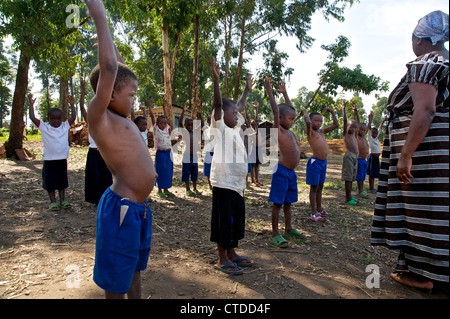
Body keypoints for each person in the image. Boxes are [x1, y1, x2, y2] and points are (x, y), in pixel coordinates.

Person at [371, 10, 449, 290]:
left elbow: (425, 110)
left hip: (427, 158)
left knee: (423, 210)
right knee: (440, 209)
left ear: (421, 38)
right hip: (440, 158)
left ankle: (424, 274)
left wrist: (406, 154)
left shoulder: (427, 63)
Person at [86, 0, 157, 299]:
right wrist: (98, 13)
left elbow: (117, 63)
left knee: (133, 271)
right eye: (131, 94)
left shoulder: (120, 117)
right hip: (121, 209)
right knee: (116, 279)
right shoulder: (99, 117)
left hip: (137, 211)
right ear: (111, 92)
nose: (134, 101)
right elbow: (111, 67)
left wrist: (109, 37)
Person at [210, 57, 253, 274]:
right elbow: (219, 105)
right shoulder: (220, 127)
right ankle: (221, 257)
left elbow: (240, 105)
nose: (237, 115)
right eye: (233, 113)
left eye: (237, 113)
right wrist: (216, 80)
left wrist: (246, 90)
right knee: (223, 221)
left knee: (236, 220)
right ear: (222, 115)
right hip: (224, 182)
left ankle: (232, 252)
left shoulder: (235, 129)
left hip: (237, 184)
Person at [264, 76, 305, 248]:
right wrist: (269, 90)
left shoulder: (289, 130)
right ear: (280, 118)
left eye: (294, 119)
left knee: (288, 202)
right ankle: (275, 233)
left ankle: (288, 228)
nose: (293, 121)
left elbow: (290, 110)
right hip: (281, 171)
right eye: (291, 119)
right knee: (278, 203)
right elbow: (276, 111)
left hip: (291, 173)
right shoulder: (278, 129)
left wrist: (286, 93)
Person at [28, 93, 76, 211]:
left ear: (61, 119)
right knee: (50, 182)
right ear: (48, 119)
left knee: (62, 181)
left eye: (58, 118)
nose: (56, 121)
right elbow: (32, 118)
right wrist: (31, 105)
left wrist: (72, 105)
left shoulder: (65, 126)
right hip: (49, 160)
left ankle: (63, 200)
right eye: (52, 119)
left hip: (61, 159)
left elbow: (73, 117)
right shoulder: (44, 127)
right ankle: (53, 202)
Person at [77, 79, 113, 207]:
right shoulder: (91, 122)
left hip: (105, 154)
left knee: (106, 178)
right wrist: (82, 92)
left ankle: (105, 200)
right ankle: (95, 201)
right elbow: (82, 107)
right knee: (93, 177)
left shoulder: (108, 122)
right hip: (93, 153)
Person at [301, 107, 339, 222]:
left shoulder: (321, 132)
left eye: (320, 121)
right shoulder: (310, 132)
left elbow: (336, 125)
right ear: (311, 121)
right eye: (316, 120)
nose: (319, 123)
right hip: (315, 163)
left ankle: (319, 208)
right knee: (314, 187)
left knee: (320, 186)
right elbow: (307, 122)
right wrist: (305, 112)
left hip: (323, 163)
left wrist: (332, 112)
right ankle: (313, 212)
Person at [148, 99, 176, 197]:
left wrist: (164, 107)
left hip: (168, 153)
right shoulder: (156, 129)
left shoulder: (167, 129)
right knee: (160, 170)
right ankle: (159, 190)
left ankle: (166, 189)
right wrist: (150, 107)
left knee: (168, 171)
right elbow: (152, 117)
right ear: (157, 123)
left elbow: (166, 117)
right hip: (161, 153)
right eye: (161, 123)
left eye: (164, 123)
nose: (163, 125)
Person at [179, 102, 201, 196]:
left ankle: (195, 188)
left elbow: (202, 124)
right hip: (187, 155)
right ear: (186, 125)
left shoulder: (195, 132)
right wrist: (183, 112)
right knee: (186, 172)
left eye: (192, 125)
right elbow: (180, 123)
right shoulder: (185, 132)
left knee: (194, 172)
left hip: (195, 155)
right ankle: (188, 189)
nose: (190, 127)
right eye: (188, 125)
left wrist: (199, 113)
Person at [352, 103, 373, 199]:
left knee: (363, 176)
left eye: (364, 130)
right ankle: (360, 190)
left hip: (364, 160)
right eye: (361, 130)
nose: (363, 131)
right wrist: (356, 112)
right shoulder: (357, 137)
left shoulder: (364, 137)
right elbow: (357, 123)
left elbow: (368, 127)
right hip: (359, 159)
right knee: (359, 176)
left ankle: (361, 190)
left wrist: (370, 120)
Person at [341, 100, 359, 205]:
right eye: (351, 126)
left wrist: (355, 111)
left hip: (355, 157)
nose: (353, 128)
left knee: (352, 178)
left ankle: (350, 196)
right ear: (347, 127)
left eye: (355, 127)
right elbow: (344, 121)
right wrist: (343, 108)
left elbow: (357, 121)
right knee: (348, 178)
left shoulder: (354, 135)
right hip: (348, 156)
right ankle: (347, 199)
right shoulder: (346, 134)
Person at [367, 116, 387, 193]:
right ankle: (371, 188)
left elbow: (380, 128)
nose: (374, 134)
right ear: (371, 133)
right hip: (372, 157)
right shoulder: (369, 138)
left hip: (376, 158)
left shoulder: (376, 138)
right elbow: (368, 129)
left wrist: (383, 120)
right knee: (371, 174)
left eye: (376, 133)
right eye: (373, 133)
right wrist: (369, 121)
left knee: (376, 172)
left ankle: (375, 188)